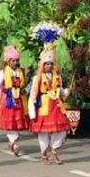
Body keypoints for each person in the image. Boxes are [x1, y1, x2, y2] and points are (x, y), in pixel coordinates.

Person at [28, 30, 71, 165]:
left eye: (51, 63)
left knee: (62, 130)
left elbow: (60, 90)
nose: (49, 66)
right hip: (43, 106)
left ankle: (54, 150)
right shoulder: (37, 78)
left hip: (56, 105)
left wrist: (65, 92)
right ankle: (44, 153)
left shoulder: (57, 76)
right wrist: (32, 112)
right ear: (42, 64)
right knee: (44, 132)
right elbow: (33, 95)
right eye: (46, 63)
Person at [0, 46, 29, 157]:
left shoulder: (22, 71)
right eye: (13, 60)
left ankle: (12, 142)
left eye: (17, 60)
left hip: (19, 100)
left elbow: (26, 85)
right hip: (7, 100)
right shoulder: (3, 73)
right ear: (8, 61)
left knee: (16, 123)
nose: (15, 63)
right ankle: (14, 142)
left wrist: (25, 91)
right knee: (10, 123)